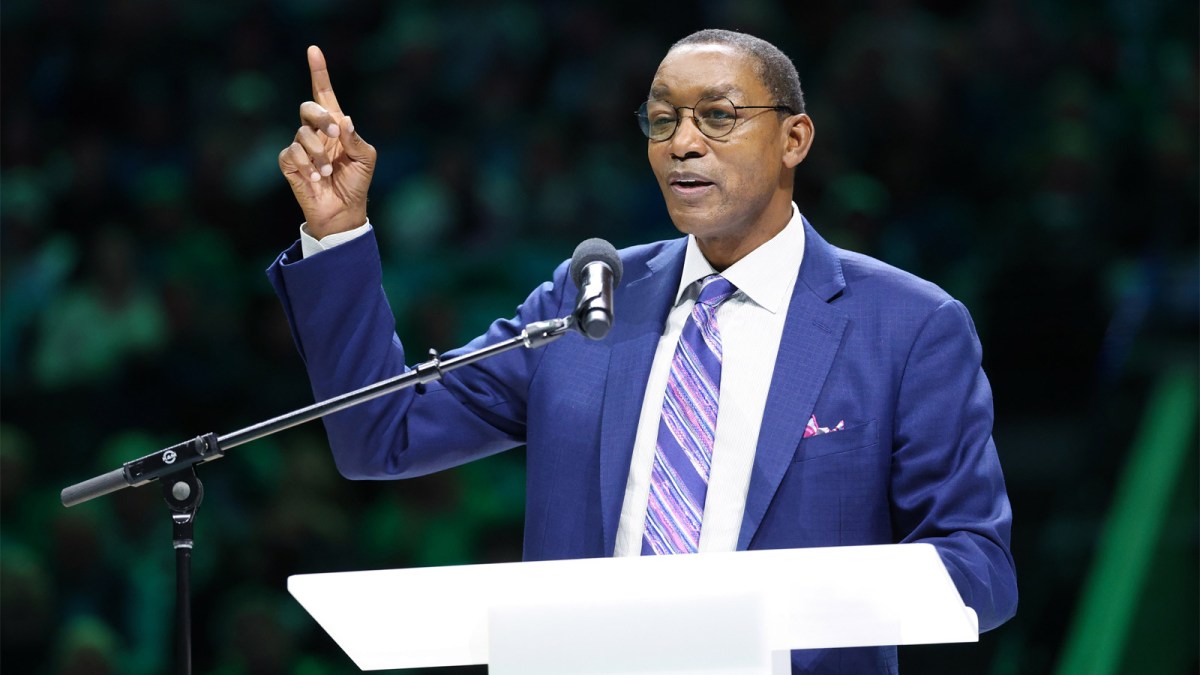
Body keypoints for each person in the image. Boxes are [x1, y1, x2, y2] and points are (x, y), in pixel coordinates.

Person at [268, 29, 1016, 673]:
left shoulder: (907, 326)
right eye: (662, 121)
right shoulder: (591, 297)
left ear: (794, 139)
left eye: (718, 116)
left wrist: (785, 603)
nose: (683, 142)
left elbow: (978, 570)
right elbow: (381, 434)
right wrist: (337, 233)